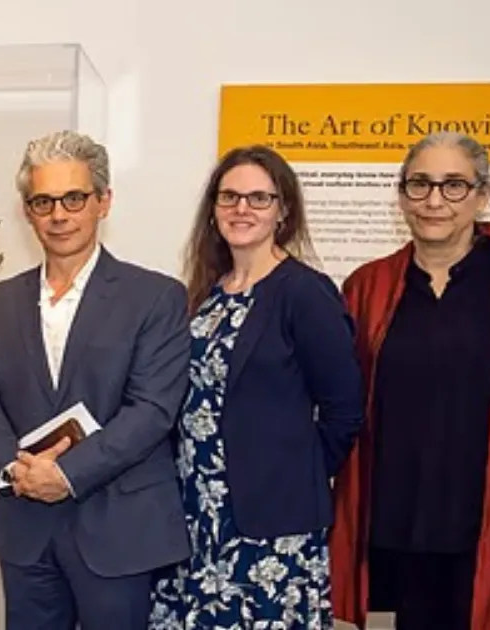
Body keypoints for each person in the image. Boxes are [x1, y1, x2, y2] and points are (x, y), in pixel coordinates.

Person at [329, 132, 490, 630]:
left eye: (454, 185)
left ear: (483, 195)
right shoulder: (368, 287)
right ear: (401, 195)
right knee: (383, 626)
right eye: (420, 184)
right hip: (388, 533)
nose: (434, 201)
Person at [0, 130, 191, 630]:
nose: (59, 215)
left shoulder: (156, 297)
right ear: (27, 212)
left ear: (103, 202)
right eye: (43, 202)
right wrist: (15, 471)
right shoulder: (0, 302)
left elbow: (152, 409)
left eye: (74, 198)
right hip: (27, 526)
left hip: (118, 530)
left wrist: (66, 475)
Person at [148, 145, 364, 629]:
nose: (241, 208)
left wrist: (294, 475)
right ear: (213, 209)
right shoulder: (206, 292)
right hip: (195, 515)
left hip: (270, 524)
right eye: (229, 197)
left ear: (283, 211)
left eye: (259, 198)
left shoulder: (304, 292)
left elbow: (344, 409)